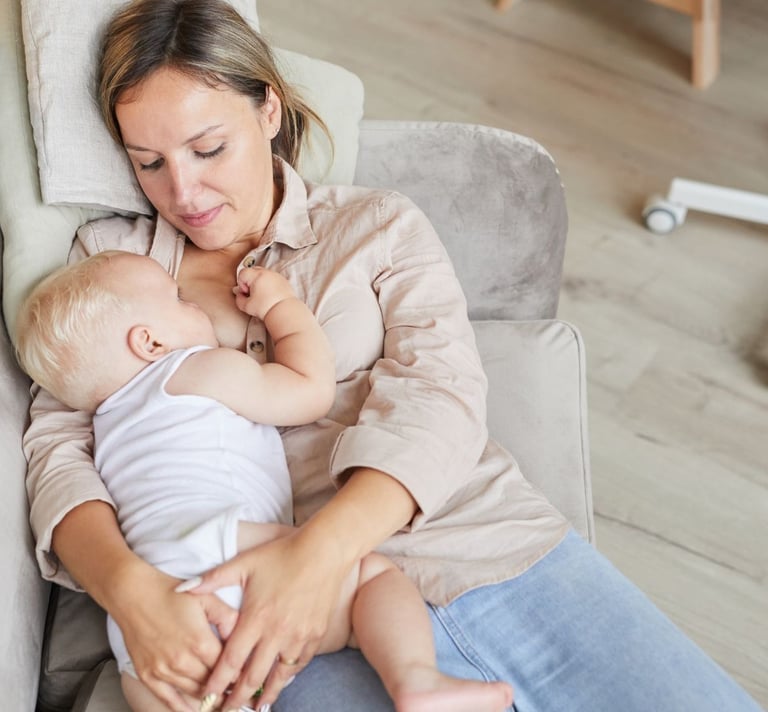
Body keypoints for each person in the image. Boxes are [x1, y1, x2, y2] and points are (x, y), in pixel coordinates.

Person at [21, 1, 762, 711]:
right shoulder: (110, 268)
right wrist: (132, 593)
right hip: (274, 625)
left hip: (477, 543)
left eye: (208, 148)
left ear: (268, 110)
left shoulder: (375, 226)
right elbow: (57, 446)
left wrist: (314, 559)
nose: (182, 191)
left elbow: (441, 394)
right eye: (148, 162)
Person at [16, 250, 513, 712]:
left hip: (145, 616)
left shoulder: (107, 428)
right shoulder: (193, 369)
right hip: (220, 547)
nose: (194, 304)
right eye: (179, 298)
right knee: (374, 578)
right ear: (150, 343)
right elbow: (309, 391)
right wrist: (281, 308)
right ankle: (416, 680)